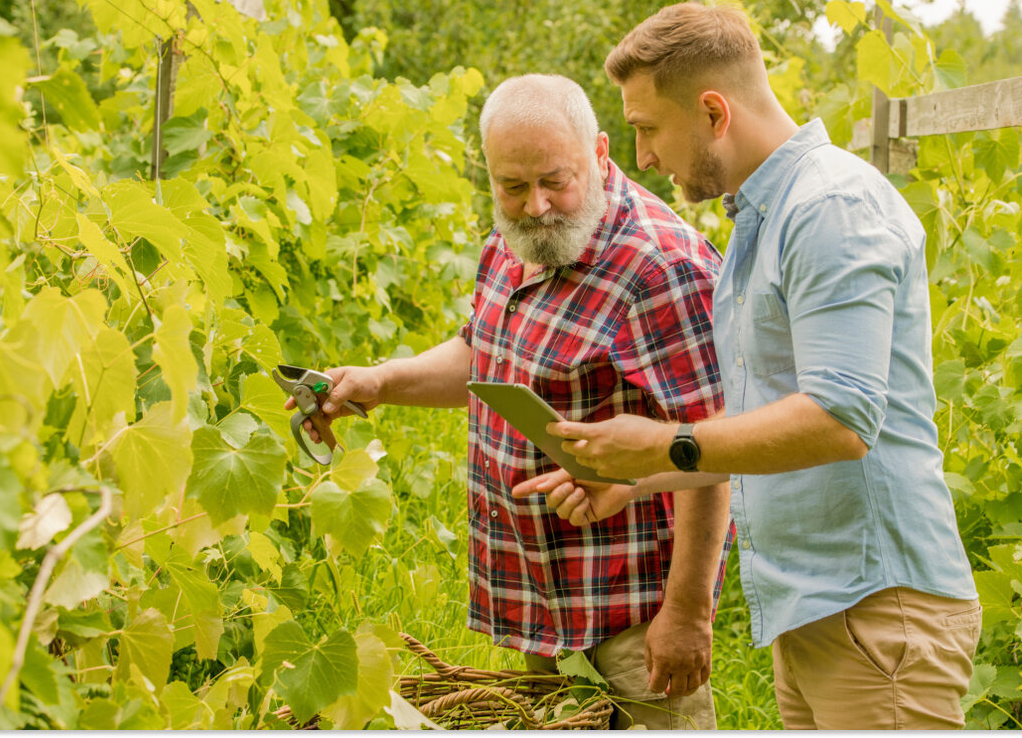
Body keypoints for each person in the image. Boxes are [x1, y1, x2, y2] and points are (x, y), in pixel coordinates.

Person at [531, 3, 981, 730]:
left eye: (647, 128)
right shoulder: (762, 221)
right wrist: (636, 476)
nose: (642, 157)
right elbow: (762, 426)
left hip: (876, 610)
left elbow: (840, 417)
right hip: (820, 612)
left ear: (713, 111)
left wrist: (662, 442)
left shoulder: (830, 207)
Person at [293, 74, 733, 730]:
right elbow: (484, 351)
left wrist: (689, 609)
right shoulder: (511, 242)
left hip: (631, 612)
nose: (535, 206)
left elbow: (716, 439)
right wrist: (380, 381)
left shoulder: (659, 265)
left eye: (556, 181)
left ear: (601, 153)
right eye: (513, 186)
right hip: (534, 599)